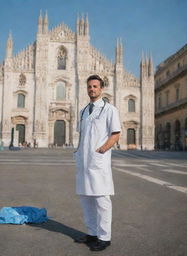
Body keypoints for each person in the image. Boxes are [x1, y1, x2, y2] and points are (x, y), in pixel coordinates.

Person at [74, 75, 121, 251]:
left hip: (98, 162)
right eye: (89, 87)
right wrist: (78, 153)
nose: (92, 89)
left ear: (101, 89)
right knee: (86, 199)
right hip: (84, 162)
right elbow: (83, 135)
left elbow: (116, 133)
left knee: (102, 200)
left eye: (95, 86)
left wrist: (102, 149)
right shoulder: (84, 111)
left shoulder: (109, 109)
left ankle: (104, 237)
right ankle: (92, 233)